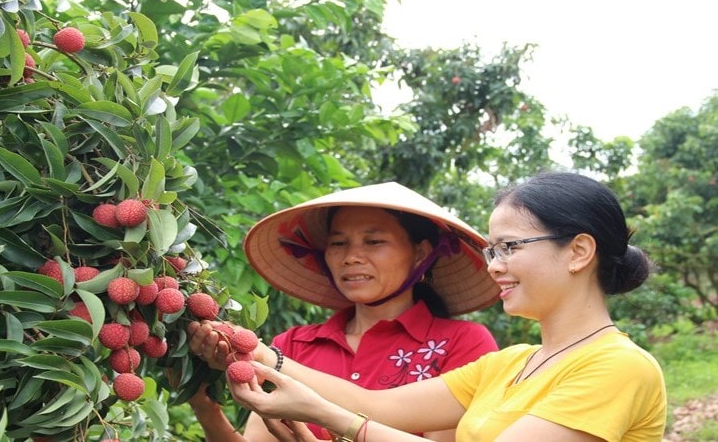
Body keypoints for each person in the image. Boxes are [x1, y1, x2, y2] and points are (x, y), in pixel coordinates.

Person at [196, 171, 667, 441]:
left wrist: (327, 416)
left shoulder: (618, 367)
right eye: (491, 251)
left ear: (579, 252)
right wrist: (254, 352)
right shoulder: (509, 364)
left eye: (510, 247)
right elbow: (374, 405)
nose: (494, 267)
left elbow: (354, 413)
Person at [187, 181, 500, 441]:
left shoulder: (463, 343)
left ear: (420, 254)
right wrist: (204, 405)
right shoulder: (294, 344)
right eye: (339, 244)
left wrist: (268, 359)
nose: (351, 257)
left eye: (373, 241)